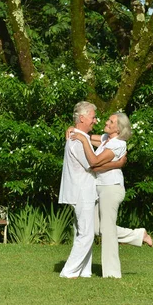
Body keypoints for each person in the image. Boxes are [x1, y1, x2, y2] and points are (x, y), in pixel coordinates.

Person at [70, 112, 153, 279]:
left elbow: (94, 162)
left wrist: (82, 140)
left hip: (111, 188)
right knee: (94, 227)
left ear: (119, 128)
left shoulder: (118, 144)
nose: (106, 122)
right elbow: (86, 136)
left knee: (107, 231)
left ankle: (112, 273)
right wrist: (73, 130)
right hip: (99, 187)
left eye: (111, 121)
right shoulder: (105, 139)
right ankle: (138, 235)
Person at [58, 101, 106, 278]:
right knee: (85, 234)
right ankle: (69, 271)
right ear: (83, 118)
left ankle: (84, 271)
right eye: (93, 117)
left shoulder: (80, 137)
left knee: (84, 231)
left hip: (83, 191)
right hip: (81, 192)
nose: (95, 120)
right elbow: (92, 164)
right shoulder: (77, 141)